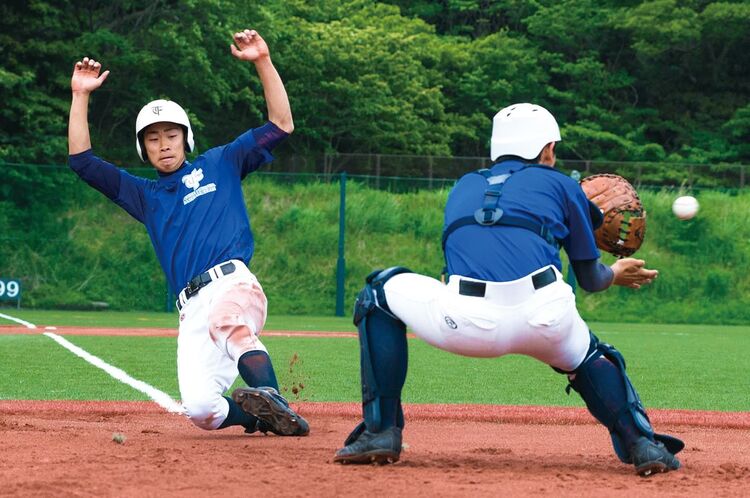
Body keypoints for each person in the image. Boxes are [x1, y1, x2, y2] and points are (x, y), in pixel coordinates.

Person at [334, 103, 683, 476]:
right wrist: (614, 272)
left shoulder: (464, 185)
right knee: (590, 354)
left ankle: (380, 432)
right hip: (545, 320)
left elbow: (460, 258)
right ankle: (643, 442)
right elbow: (591, 280)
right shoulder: (562, 184)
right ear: (547, 149)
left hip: (466, 322)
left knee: (379, 292)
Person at [67, 29, 309, 437]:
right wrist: (80, 94)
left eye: (171, 135)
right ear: (144, 148)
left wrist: (262, 61)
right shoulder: (145, 196)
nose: (163, 145)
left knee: (229, 321)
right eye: (153, 138)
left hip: (232, 284)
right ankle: (264, 417)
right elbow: (82, 162)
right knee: (201, 409)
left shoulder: (221, 163)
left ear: (186, 137)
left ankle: (271, 393)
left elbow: (281, 124)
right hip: (190, 311)